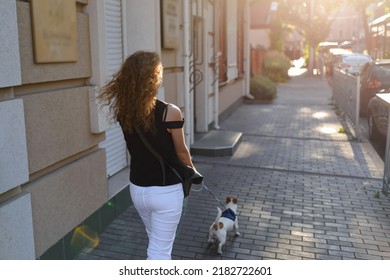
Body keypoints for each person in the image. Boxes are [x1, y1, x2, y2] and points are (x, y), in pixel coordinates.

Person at [99, 51, 196, 260]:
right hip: (165, 191)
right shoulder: (169, 112)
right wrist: (193, 171)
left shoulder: (124, 112)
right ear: (153, 78)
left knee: (156, 244)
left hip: (138, 190)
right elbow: (181, 151)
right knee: (159, 253)